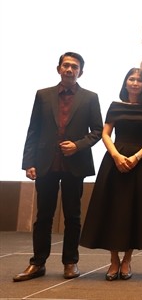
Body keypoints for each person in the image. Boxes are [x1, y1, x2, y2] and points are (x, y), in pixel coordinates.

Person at [13, 52, 103, 282]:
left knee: (73, 216)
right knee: (43, 216)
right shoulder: (43, 95)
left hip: (75, 164)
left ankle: (70, 262)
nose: (70, 70)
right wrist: (28, 162)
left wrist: (78, 145)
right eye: (66, 65)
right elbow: (33, 130)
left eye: (74, 66)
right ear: (58, 68)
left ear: (81, 71)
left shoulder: (90, 97)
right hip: (45, 163)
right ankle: (38, 263)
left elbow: (97, 131)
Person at [80, 68, 142, 281]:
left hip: (140, 162)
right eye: (131, 79)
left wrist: (136, 157)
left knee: (135, 210)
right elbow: (106, 133)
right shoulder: (115, 106)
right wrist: (116, 155)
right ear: (125, 83)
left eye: (139, 80)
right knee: (113, 210)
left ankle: (127, 260)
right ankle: (114, 260)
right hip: (114, 161)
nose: (135, 83)